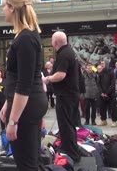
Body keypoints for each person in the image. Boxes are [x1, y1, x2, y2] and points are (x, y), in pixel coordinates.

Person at [0, 0, 48, 170]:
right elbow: (17, 77)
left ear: (12, 8)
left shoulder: (26, 38)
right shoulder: (25, 36)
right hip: (27, 103)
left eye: (5, 5)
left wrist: (13, 122)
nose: (3, 9)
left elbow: (24, 84)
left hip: (27, 106)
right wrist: (8, 102)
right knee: (31, 160)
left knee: (26, 164)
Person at [43, 31, 81, 164]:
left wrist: (47, 79)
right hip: (69, 95)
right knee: (68, 124)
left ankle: (71, 153)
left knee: (66, 125)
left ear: (55, 42)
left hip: (66, 95)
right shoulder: (69, 52)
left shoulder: (64, 54)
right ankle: (70, 150)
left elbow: (61, 75)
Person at [97, 63, 117, 127]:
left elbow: (112, 84)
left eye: (103, 63)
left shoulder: (111, 73)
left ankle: (114, 121)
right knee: (102, 108)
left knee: (112, 108)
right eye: (101, 64)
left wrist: (107, 93)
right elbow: (98, 83)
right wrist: (102, 92)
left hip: (111, 94)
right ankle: (103, 120)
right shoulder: (100, 73)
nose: (102, 65)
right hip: (102, 94)